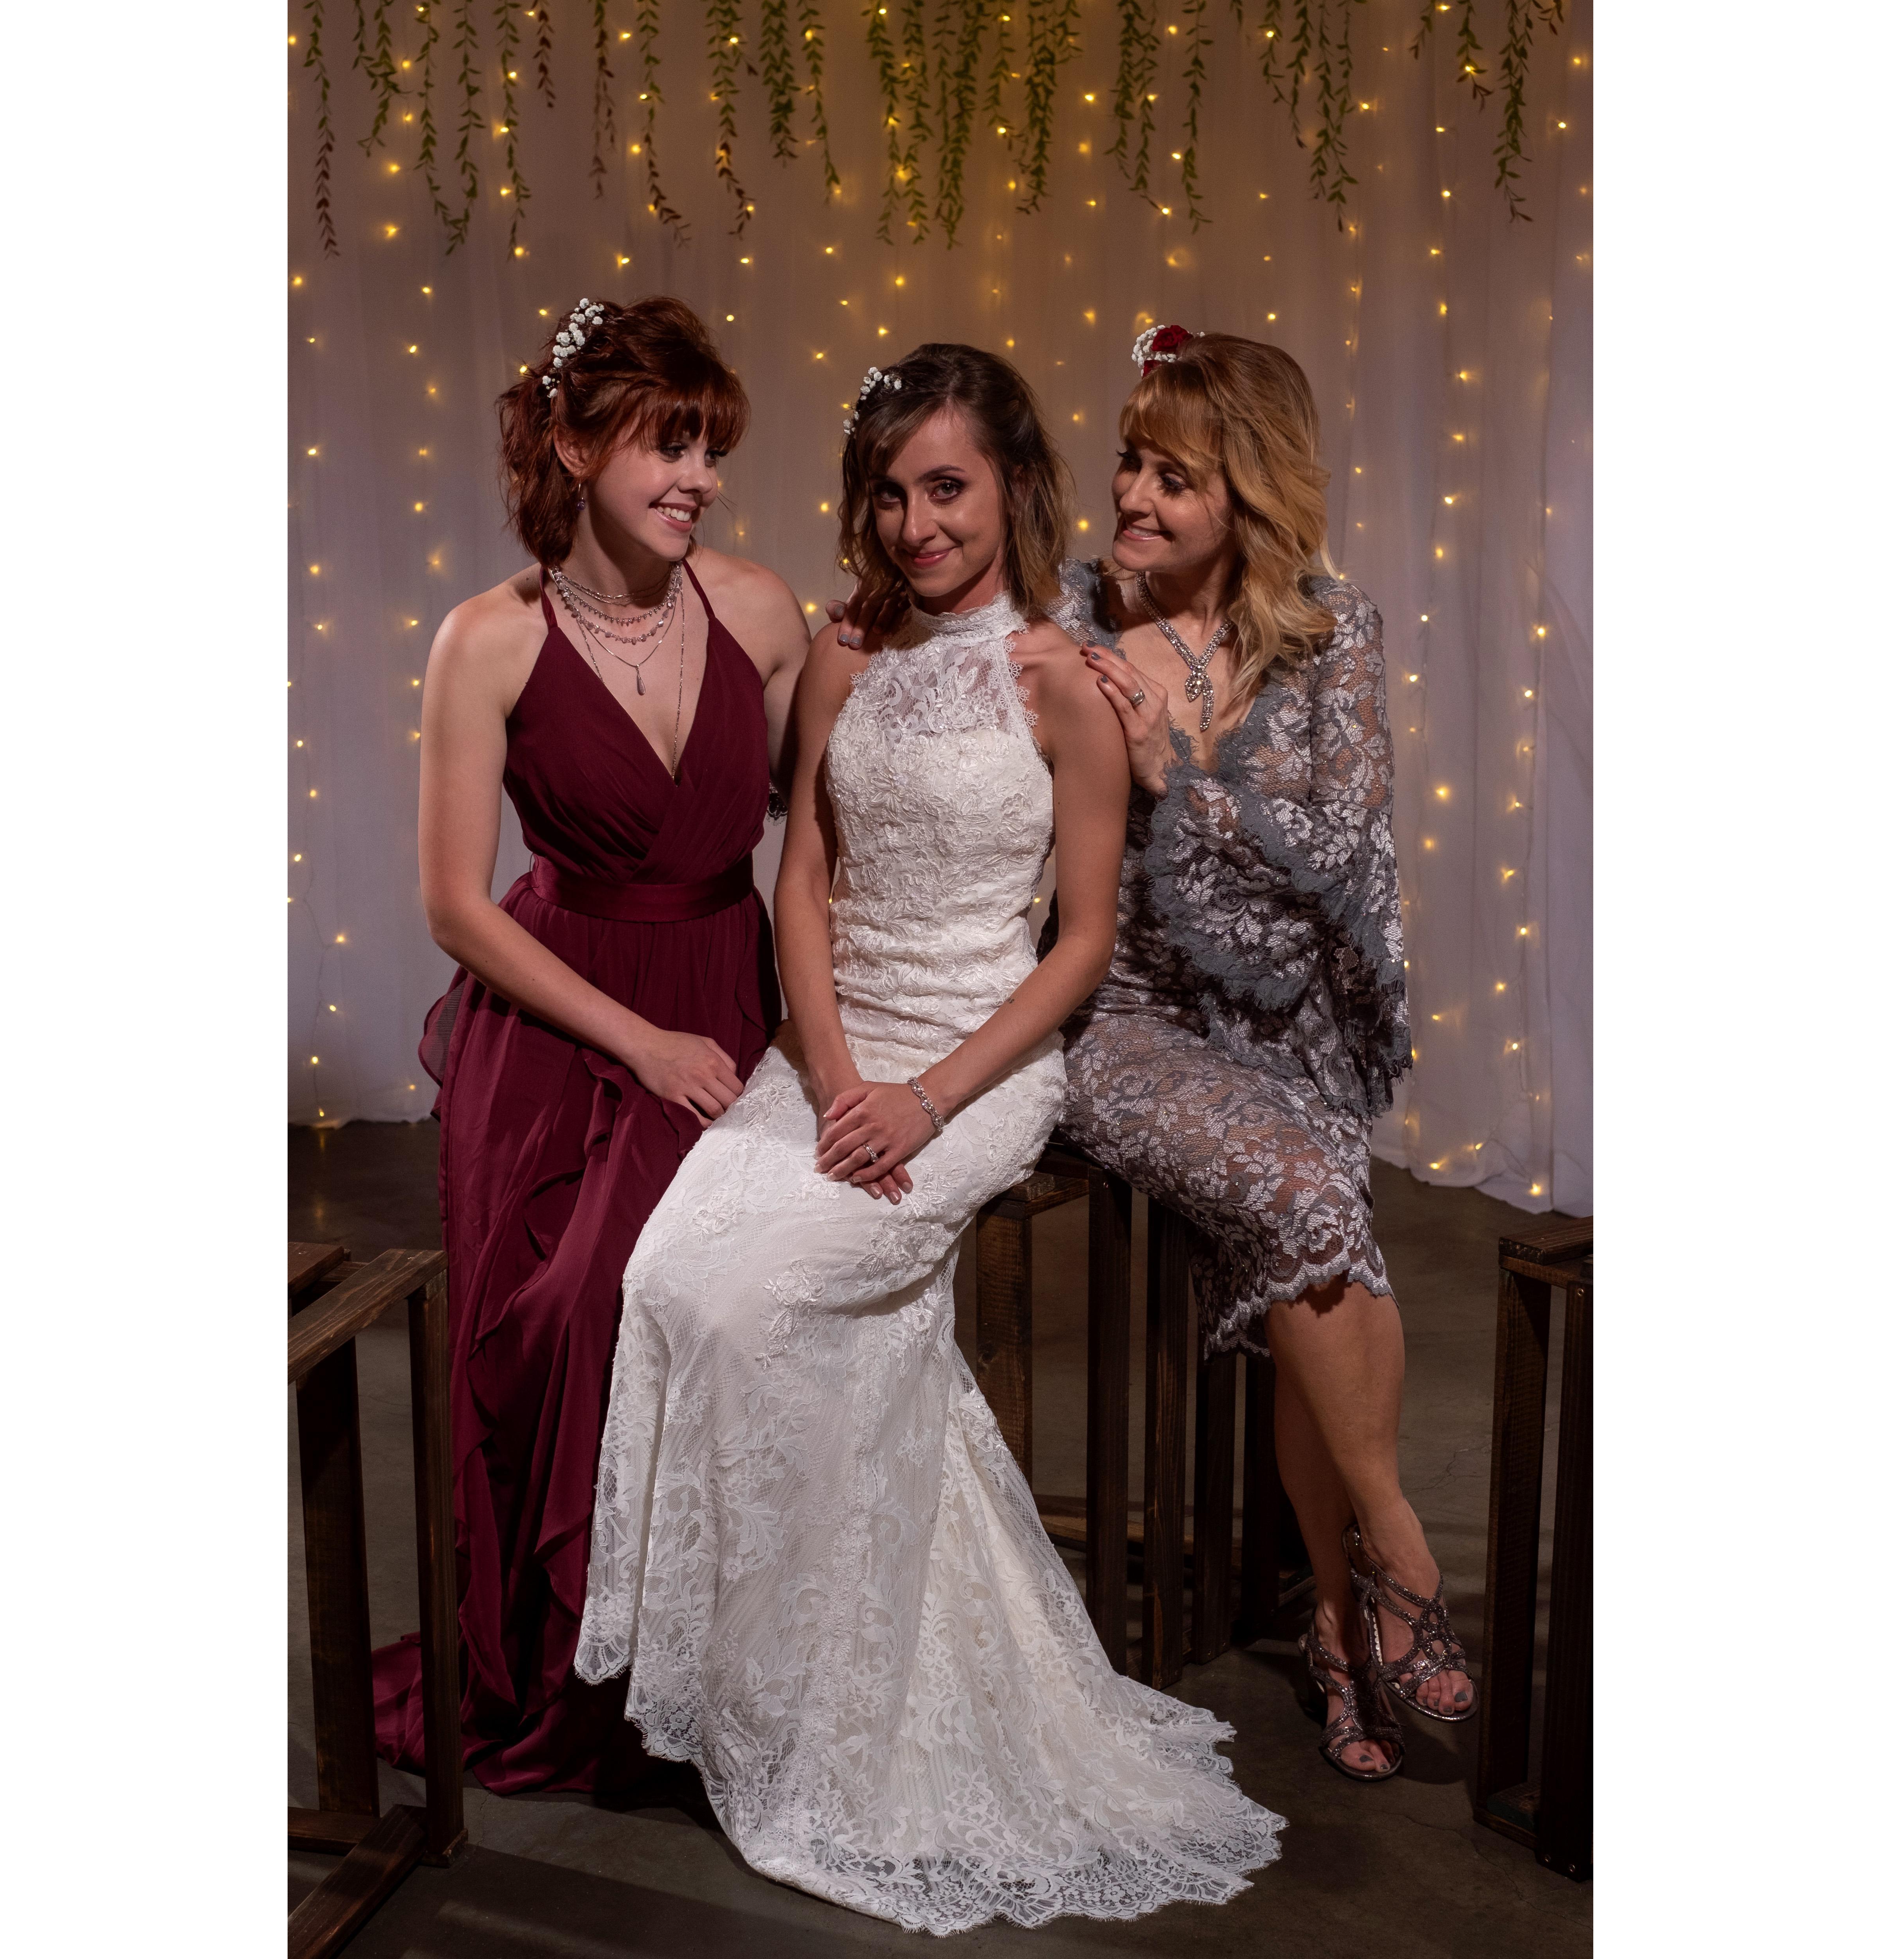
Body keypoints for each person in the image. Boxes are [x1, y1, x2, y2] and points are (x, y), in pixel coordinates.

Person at [574, 345, 1283, 1932]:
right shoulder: (840, 659)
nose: (914, 524)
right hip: (830, 1055)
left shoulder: (1059, 683)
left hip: (979, 1062)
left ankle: (840, 1704)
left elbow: (1082, 944)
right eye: (889, 494)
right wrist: (828, 1074)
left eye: (946, 488)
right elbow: (804, 879)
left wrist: (926, 1100)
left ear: (1015, 493)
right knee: (672, 1283)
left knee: (767, 1307)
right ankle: (757, 1674)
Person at [833, 326, 1472, 1782]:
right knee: (1316, 1204)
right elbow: (945, 694)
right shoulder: (1072, 621)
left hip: (1287, 1027)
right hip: (1126, 1025)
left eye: (1175, 477)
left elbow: (1341, 850)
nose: (1134, 495)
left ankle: (1332, 1613)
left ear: (1248, 495)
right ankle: (1400, 1557)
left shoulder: (1332, 631)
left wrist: (1186, 766)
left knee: (1320, 1214)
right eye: (1130, 462)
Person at [373, 295, 810, 1796]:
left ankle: (697, 1661)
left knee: (676, 1293)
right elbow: (451, 903)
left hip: (725, 993)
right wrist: (643, 1040)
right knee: (556, 1312)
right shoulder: (484, 643)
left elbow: (833, 824)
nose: (695, 474)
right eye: (662, 442)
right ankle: (565, 1673)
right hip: (565, 1019)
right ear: (570, 444)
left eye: (706, 445)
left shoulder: (757, 611)